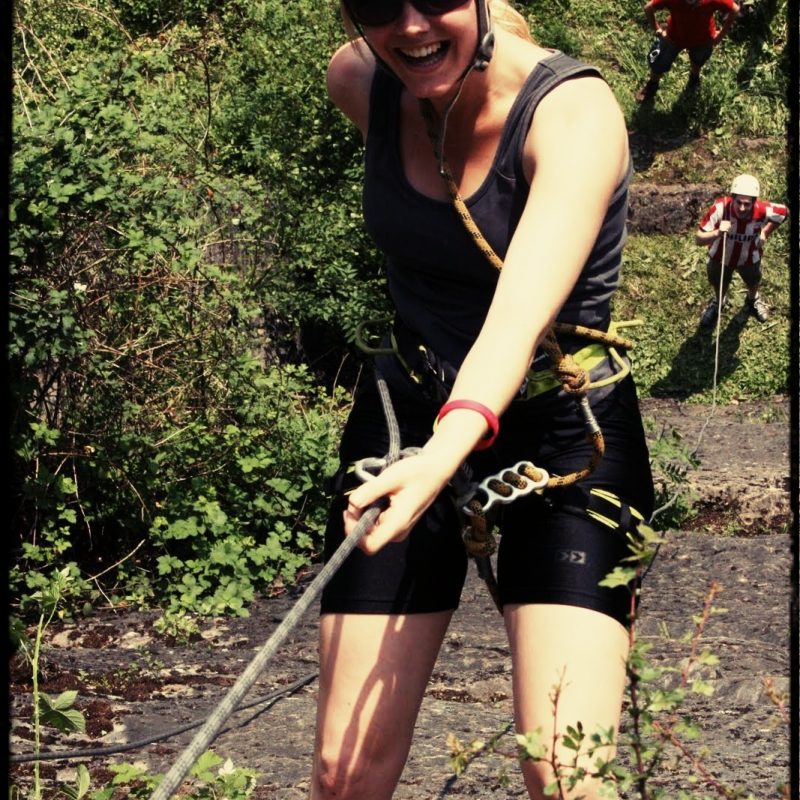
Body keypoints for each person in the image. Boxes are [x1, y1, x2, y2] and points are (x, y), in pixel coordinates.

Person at [312, 2, 655, 798]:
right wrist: (429, 449)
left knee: (566, 770)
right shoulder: (359, 80)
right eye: (377, 3)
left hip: (563, 430)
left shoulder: (571, 114)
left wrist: (445, 453)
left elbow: (515, 320)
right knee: (343, 770)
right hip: (408, 409)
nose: (408, 26)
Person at [696, 173, 788, 327]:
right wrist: (717, 233)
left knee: (753, 280)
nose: (742, 208)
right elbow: (699, 239)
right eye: (738, 202)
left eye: (747, 204)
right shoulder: (720, 208)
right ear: (732, 197)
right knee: (717, 281)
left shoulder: (763, 210)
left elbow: (784, 213)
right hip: (720, 256)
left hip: (749, 256)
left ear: (754, 202)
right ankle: (719, 301)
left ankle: (753, 299)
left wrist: (765, 232)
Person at [635, 0, 739, 103]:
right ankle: (652, 84)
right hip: (673, 38)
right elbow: (648, 8)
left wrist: (721, 35)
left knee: (698, 60)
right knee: (659, 61)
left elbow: (735, 9)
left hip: (702, 40)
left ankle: (694, 78)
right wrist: (658, 31)